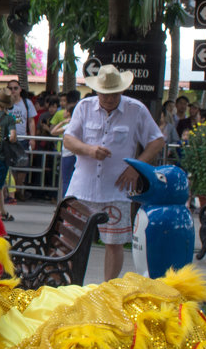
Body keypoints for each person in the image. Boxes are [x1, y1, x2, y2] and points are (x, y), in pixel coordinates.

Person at [62, 64, 164, 281]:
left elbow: (157, 140)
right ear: (97, 90)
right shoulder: (84, 107)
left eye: (114, 94)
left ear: (122, 90)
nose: (109, 98)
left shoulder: (136, 110)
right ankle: (70, 286)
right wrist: (89, 150)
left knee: (114, 243)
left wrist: (137, 167)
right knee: (71, 241)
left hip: (116, 190)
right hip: (82, 188)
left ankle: (106, 289)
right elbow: (69, 139)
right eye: (105, 94)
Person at [3, 79, 36, 201]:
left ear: (20, 89)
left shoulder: (27, 103)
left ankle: (18, 190)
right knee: (8, 167)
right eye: (10, 88)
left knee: (22, 167)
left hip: (23, 139)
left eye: (15, 88)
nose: (13, 91)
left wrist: (32, 138)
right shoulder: (5, 103)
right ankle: (10, 193)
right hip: (8, 139)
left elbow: (31, 121)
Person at [0, 88, 18, 222]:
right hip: (0, 156)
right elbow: (13, 137)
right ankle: (0, 212)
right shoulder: (9, 119)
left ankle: (0, 211)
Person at [51, 89, 81, 196]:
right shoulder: (76, 124)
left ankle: (65, 200)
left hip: (68, 154)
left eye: (65, 110)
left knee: (66, 180)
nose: (63, 111)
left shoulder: (69, 124)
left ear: (69, 113)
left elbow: (53, 131)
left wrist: (63, 122)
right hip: (75, 154)